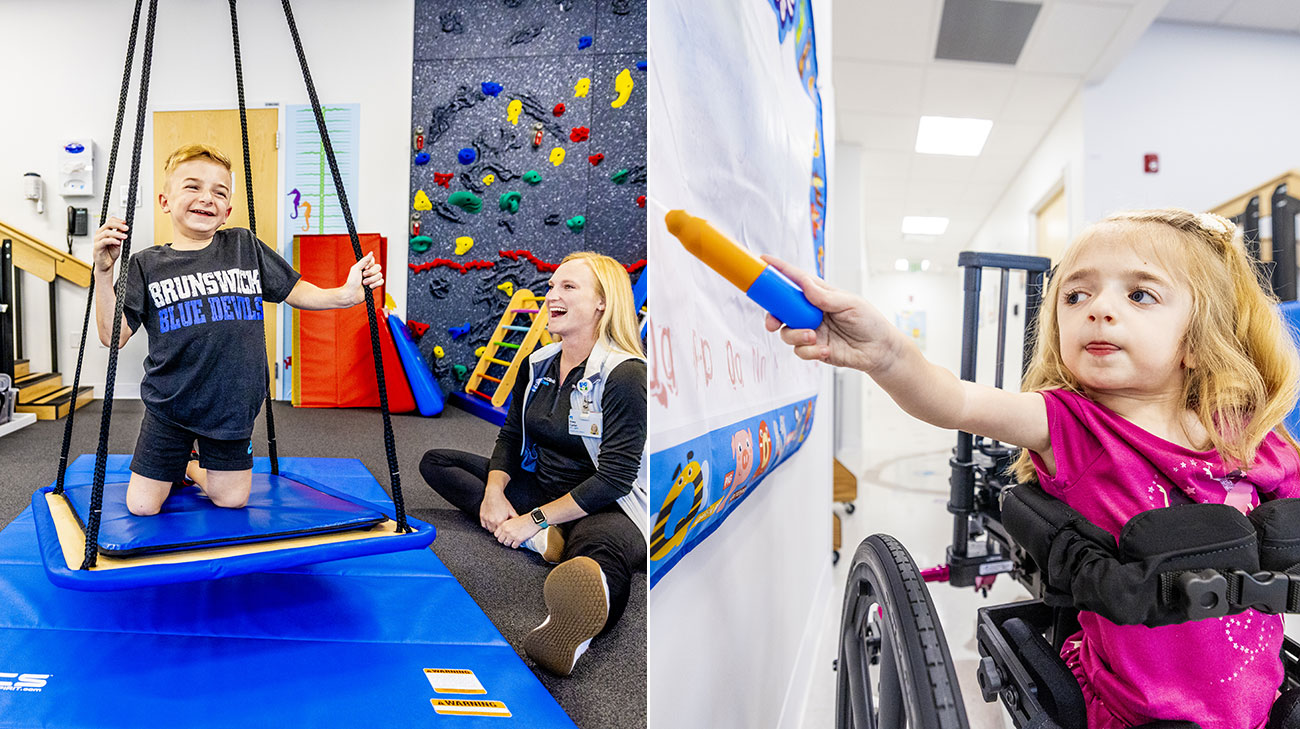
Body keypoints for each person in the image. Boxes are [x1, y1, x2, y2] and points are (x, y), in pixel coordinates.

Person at [765, 209, 1300, 729]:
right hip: (1131, 709)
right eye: (1076, 295)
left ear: (1200, 333)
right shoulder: (1069, 423)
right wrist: (884, 354)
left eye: (1140, 294)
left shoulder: (1249, 431)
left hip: (1256, 697)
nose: (1098, 309)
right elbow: (952, 400)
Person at [92, 143, 383, 517]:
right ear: (165, 201)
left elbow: (295, 290)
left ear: (227, 210)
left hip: (231, 406)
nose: (206, 198)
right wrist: (103, 273)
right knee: (142, 506)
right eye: (192, 187)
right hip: (171, 404)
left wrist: (342, 296)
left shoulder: (243, 246)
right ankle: (180, 459)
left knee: (231, 499)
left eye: (219, 191)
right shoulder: (146, 264)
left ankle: (192, 466)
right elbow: (111, 335)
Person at [419, 251, 648, 677]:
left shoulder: (626, 374)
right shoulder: (537, 362)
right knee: (438, 462)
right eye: (550, 286)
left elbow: (615, 478)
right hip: (541, 486)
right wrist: (493, 493)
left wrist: (533, 519)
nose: (551, 295)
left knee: (601, 557)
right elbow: (509, 436)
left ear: (602, 302)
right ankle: (545, 542)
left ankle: (573, 631)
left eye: (568, 287)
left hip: (607, 504)